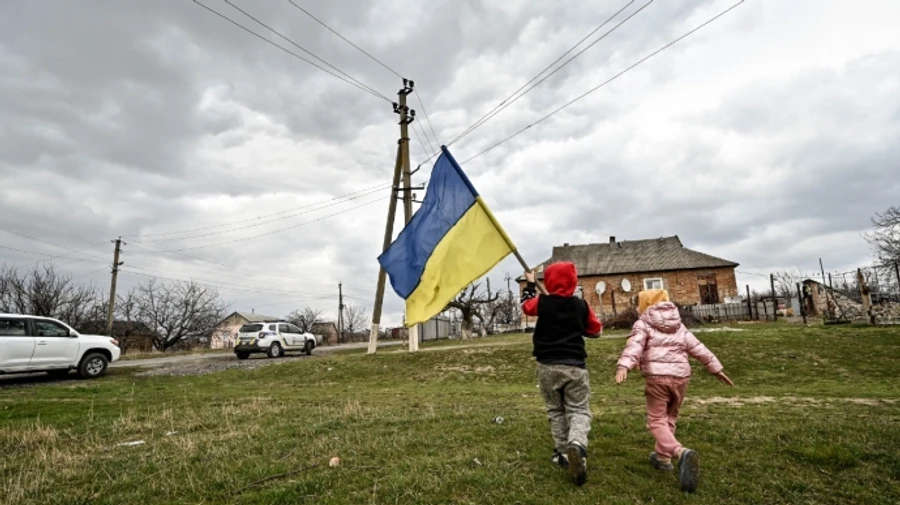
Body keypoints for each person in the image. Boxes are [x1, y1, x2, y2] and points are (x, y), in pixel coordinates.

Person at [615, 289, 734, 493]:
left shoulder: (643, 323)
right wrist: (716, 368)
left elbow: (634, 345)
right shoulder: (678, 324)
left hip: (657, 378)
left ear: (646, 305)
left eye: (639, 303)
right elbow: (698, 347)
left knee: (656, 420)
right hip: (681, 378)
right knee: (670, 416)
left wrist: (624, 365)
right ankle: (663, 457)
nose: (636, 308)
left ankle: (680, 452)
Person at [521, 262, 602, 486]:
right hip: (575, 366)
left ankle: (563, 453)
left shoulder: (543, 302)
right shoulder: (581, 305)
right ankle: (577, 443)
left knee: (556, 410)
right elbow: (596, 331)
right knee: (578, 409)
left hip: (547, 367)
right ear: (574, 282)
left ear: (548, 282)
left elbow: (526, 307)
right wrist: (580, 327)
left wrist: (530, 284)